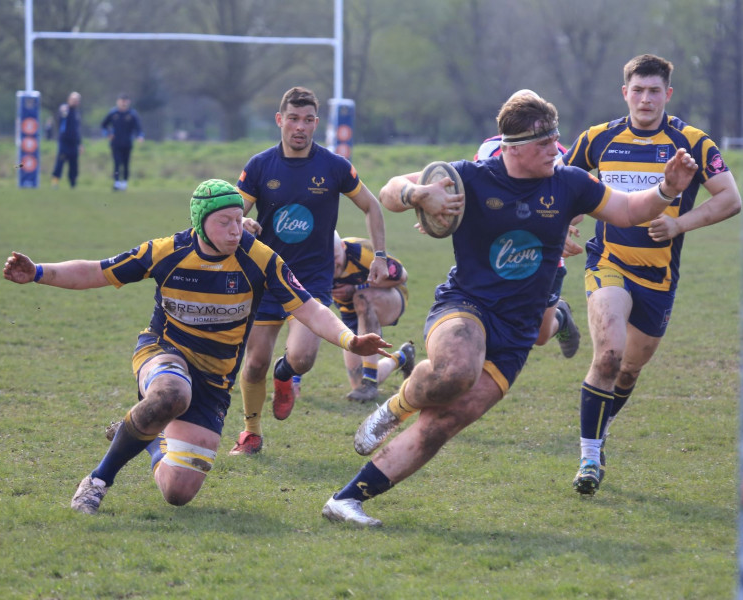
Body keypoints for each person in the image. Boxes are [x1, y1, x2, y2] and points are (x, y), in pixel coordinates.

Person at [320, 92, 699, 527]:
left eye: (557, 139)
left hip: (518, 332)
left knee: (445, 422)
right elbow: (388, 191)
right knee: (456, 371)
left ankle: (347, 500)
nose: (555, 150)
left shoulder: (569, 182)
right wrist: (418, 192)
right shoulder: (470, 178)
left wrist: (668, 188)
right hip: (466, 305)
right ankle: (397, 406)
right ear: (513, 148)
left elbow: (629, 210)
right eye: (543, 144)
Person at [2, 179, 391, 515]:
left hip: (216, 377)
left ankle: (148, 432)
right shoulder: (166, 251)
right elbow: (96, 271)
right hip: (162, 351)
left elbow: (309, 307)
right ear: (200, 223)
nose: (236, 230)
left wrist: (350, 340)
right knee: (172, 393)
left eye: (239, 220)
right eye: (225, 222)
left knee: (178, 492)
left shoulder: (260, 259)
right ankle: (97, 482)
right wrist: (37, 273)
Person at [562, 54, 741, 496]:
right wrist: (565, 225)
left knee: (628, 371)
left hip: (659, 279)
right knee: (608, 355)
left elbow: (730, 198)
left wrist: (681, 223)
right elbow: (559, 184)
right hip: (608, 263)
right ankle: (588, 457)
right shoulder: (597, 139)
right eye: (637, 90)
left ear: (667, 95)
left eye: (654, 91)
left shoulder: (693, 143)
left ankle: (599, 434)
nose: (645, 98)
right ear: (625, 92)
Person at [228, 86, 388, 457]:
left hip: (309, 281)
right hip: (265, 278)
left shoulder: (333, 167)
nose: (300, 127)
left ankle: (286, 376)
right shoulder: (259, 166)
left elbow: (372, 206)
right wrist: (243, 224)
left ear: (317, 123)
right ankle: (251, 433)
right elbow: (232, 213)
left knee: (302, 358)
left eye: (308, 120)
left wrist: (379, 254)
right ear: (280, 120)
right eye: (293, 119)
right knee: (253, 365)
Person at [474, 108, 582, 358]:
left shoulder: (558, 153)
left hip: (545, 254)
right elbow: (477, 194)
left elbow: (578, 209)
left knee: (540, 336)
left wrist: (559, 223)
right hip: (501, 249)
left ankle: (561, 316)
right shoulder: (489, 149)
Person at [295, 232, 415, 404]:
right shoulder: (317, 265)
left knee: (361, 297)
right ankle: (402, 357)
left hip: (391, 298)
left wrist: (357, 287)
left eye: (335, 257)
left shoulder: (362, 252)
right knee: (358, 382)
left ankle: (370, 384)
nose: (332, 264)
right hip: (350, 315)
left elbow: (402, 276)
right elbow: (309, 312)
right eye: (326, 259)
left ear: (342, 247)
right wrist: (294, 377)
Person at [100, 93, 145, 191]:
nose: (123, 104)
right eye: (121, 101)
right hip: (115, 143)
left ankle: (124, 183)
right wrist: (108, 133)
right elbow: (103, 125)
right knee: (117, 163)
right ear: (118, 102)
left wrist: (140, 136)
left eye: (125, 102)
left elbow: (138, 128)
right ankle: (116, 183)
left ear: (128, 102)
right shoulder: (113, 113)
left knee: (126, 163)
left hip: (127, 143)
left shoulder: (132, 114)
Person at [51, 91, 82, 188]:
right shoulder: (64, 109)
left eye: (77, 100)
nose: (75, 102)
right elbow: (59, 119)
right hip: (64, 142)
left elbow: (77, 130)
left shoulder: (77, 113)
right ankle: (55, 182)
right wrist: (63, 112)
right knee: (60, 163)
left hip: (74, 143)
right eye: (73, 100)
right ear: (69, 100)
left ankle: (73, 184)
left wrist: (80, 144)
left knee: (74, 165)